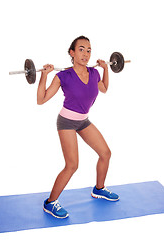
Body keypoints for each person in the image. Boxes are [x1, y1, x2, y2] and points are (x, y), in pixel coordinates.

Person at [37, 36, 119, 219]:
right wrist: (43, 76)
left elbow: (104, 88)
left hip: (83, 121)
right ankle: (50, 202)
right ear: (72, 53)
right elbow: (40, 100)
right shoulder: (63, 76)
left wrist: (106, 69)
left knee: (105, 153)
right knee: (72, 165)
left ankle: (99, 189)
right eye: (81, 49)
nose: (86, 54)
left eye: (89, 50)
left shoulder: (94, 73)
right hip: (66, 122)